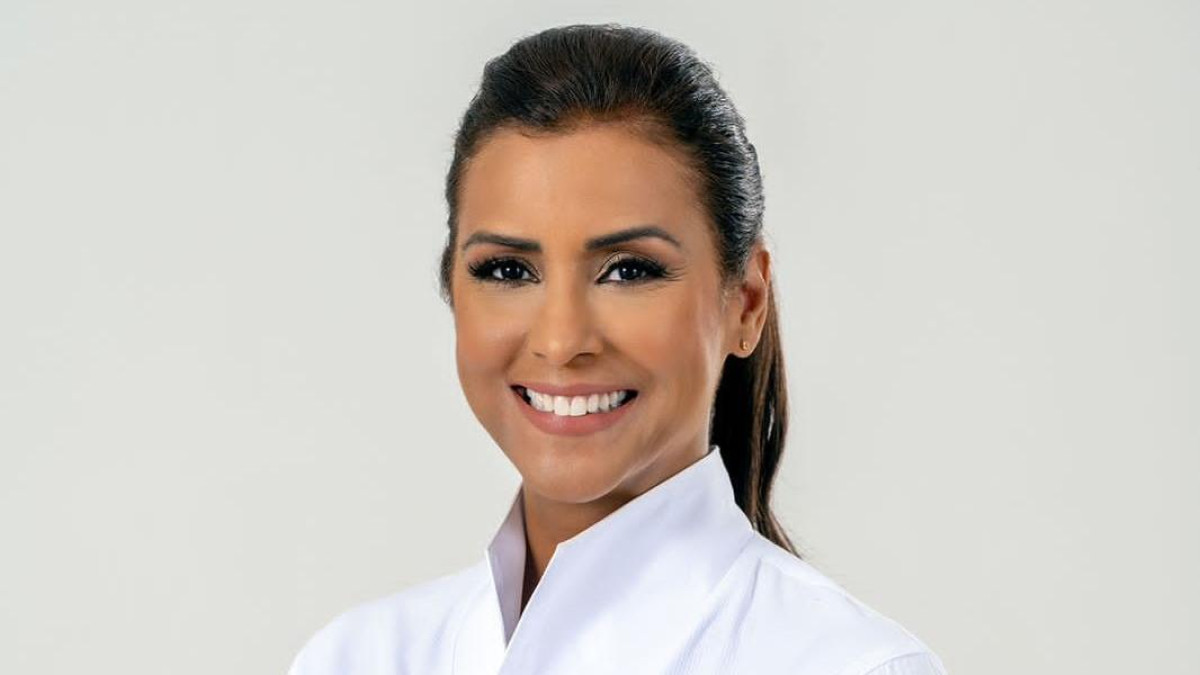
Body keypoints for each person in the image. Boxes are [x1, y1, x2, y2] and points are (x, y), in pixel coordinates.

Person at [288, 23, 947, 675]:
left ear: (745, 302)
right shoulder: (356, 658)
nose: (560, 341)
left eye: (629, 270)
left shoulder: (853, 664)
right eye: (509, 270)